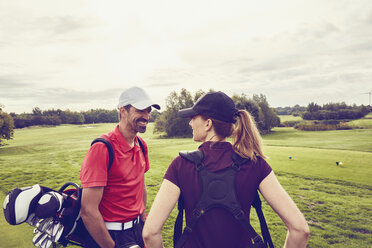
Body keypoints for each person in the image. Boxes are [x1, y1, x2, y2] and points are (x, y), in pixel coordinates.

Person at [142, 91, 310, 248]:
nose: (190, 122)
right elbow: (300, 230)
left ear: (208, 123)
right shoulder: (255, 163)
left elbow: (150, 233)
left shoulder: (180, 164)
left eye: (194, 117)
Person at [80, 86, 160, 248]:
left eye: (148, 111)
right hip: (112, 235)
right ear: (123, 111)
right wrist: (110, 245)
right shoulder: (102, 148)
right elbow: (88, 210)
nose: (146, 116)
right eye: (140, 110)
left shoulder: (141, 145)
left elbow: (140, 185)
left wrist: (142, 217)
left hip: (137, 230)